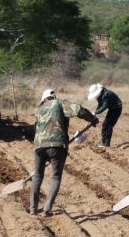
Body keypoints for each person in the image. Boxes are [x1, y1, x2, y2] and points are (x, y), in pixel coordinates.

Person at [30, 89, 98, 217]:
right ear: (53, 97)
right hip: (58, 146)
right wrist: (92, 118)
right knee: (55, 177)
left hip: (39, 146)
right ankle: (47, 210)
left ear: (44, 99)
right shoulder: (59, 103)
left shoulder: (38, 110)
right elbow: (78, 109)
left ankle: (33, 208)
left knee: (38, 176)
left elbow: (34, 128)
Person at [87, 83, 122, 148]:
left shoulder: (106, 95)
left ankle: (106, 143)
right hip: (112, 108)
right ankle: (103, 141)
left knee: (108, 125)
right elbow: (100, 105)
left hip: (116, 109)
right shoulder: (101, 95)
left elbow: (104, 106)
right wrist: (95, 113)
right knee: (105, 124)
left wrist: (96, 112)